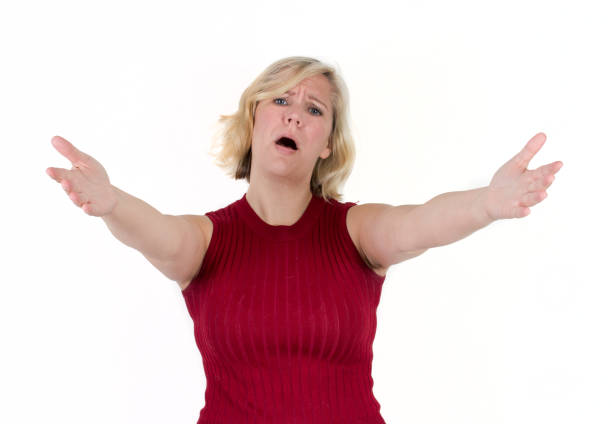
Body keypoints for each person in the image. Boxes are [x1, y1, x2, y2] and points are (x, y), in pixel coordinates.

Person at [46, 56, 563, 423]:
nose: (296, 112)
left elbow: (421, 222)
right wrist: (112, 204)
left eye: (315, 109)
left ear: (325, 147)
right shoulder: (205, 241)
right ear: (255, 120)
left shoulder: (356, 232)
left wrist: (485, 205)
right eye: (281, 100)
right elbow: (154, 231)